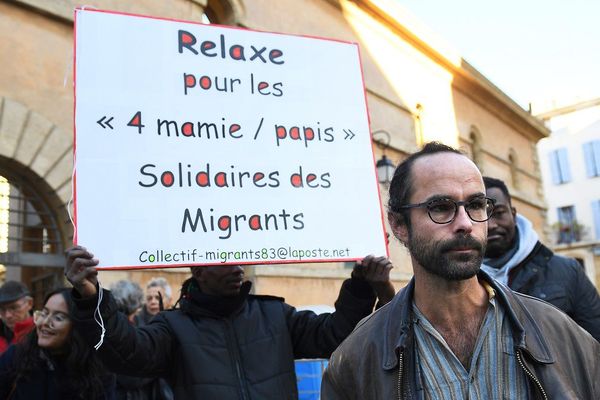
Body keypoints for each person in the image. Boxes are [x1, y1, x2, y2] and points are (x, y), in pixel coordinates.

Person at [322, 142, 600, 399]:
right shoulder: (356, 360)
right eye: (441, 208)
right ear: (399, 225)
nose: (466, 223)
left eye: (476, 205)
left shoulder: (561, 335)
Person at [64, 250, 393, 400]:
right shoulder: (172, 327)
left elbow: (333, 335)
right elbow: (127, 354)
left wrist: (361, 286)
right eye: (224, 261)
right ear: (197, 271)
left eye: (239, 259)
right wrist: (90, 295)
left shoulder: (275, 315)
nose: (238, 268)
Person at [482, 176, 600, 341]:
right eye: (481, 214)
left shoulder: (568, 270)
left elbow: (595, 342)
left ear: (514, 214)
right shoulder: (460, 279)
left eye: (499, 213)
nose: (491, 224)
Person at [0, 287, 115, 399]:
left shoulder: (98, 370)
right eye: (44, 313)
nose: (45, 322)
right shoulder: (16, 357)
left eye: (58, 318)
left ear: (78, 326)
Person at [110, 280, 173, 400]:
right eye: (149, 298)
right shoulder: (135, 326)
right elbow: (128, 377)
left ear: (170, 300)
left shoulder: (176, 325)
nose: (153, 301)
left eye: (158, 297)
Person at [0, 281, 34, 354]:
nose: (8, 315)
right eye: (2, 309)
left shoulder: (41, 334)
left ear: (29, 304)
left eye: (14, 308)